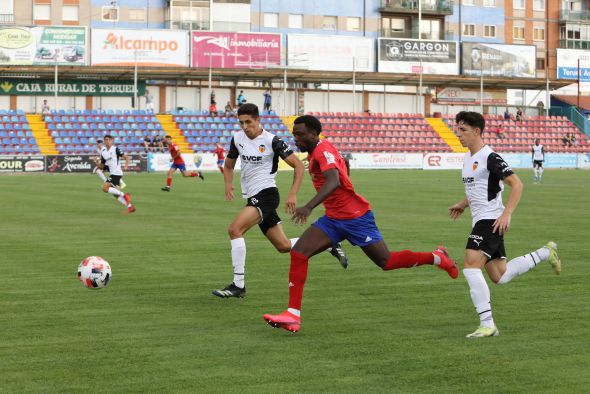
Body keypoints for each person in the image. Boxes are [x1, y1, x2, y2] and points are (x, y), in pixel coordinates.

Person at [262, 115, 458, 333]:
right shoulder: (320, 150)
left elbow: (334, 180)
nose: (296, 139)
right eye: (294, 134)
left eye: (300, 134)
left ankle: (437, 257)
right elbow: (343, 163)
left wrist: (308, 207)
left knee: (386, 261)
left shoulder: (321, 149)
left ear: (314, 133)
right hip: (334, 218)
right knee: (299, 253)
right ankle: (292, 315)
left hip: (356, 218)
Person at [212, 104, 349, 299]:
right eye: (241, 122)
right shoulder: (237, 138)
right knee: (283, 246)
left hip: (267, 194)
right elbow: (228, 164)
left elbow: (298, 166)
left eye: (248, 122)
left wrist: (292, 193)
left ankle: (238, 285)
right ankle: (328, 244)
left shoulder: (271, 141)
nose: (244, 126)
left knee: (235, 230)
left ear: (258, 120)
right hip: (253, 196)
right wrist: (228, 184)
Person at [447, 111, 561, 338]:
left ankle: (487, 324)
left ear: (477, 131)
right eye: (457, 129)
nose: (458, 134)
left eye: (463, 130)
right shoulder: (468, 159)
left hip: (491, 220)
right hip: (482, 218)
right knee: (500, 275)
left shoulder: (490, 156)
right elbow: (479, 191)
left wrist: (507, 213)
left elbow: (516, 184)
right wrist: (462, 204)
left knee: (470, 265)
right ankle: (544, 253)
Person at [99, 135, 135, 213]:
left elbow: (127, 157)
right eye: (106, 140)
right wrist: (96, 162)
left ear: (111, 141)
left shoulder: (115, 149)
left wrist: (125, 166)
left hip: (116, 173)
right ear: (104, 141)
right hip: (113, 173)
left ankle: (124, 194)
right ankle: (130, 207)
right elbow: (101, 166)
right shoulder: (104, 152)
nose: (107, 141)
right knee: (115, 193)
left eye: (109, 140)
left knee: (105, 188)